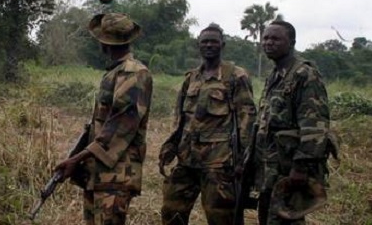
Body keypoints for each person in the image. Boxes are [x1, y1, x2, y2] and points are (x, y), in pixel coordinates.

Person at [54, 13, 153, 225]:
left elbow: (120, 127)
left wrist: (76, 159)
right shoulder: (115, 72)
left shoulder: (133, 73)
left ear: (103, 42)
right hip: (99, 174)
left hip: (116, 175)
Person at [159, 23, 257, 225]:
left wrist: (244, 161)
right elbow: (180, 117)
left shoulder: (235, 76)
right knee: (171, 211)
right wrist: (170, 145)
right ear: (198, 45)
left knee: (221, 217)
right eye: (205, 42)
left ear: (223, 45)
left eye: (214, 41)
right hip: (187, 159)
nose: (209, 45)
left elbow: (246, 118)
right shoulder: (191, 77)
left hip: (219, 163)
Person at [254, 20, 335, 225]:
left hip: (289, 168)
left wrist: (301, 168)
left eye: (275, 38)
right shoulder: (275, 75)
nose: (269, 43)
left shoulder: (304, 75)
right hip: (271, 167)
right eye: (266, 38)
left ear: (291, 42)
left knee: (285, 219)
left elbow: (315, 126)